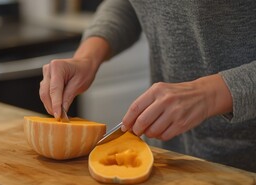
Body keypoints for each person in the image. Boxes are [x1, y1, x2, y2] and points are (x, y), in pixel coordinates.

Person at [39, 0, 256, 171]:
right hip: (173, 160)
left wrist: (211, 94)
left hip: (246, 165)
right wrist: (86, 57)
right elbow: (131, 5)